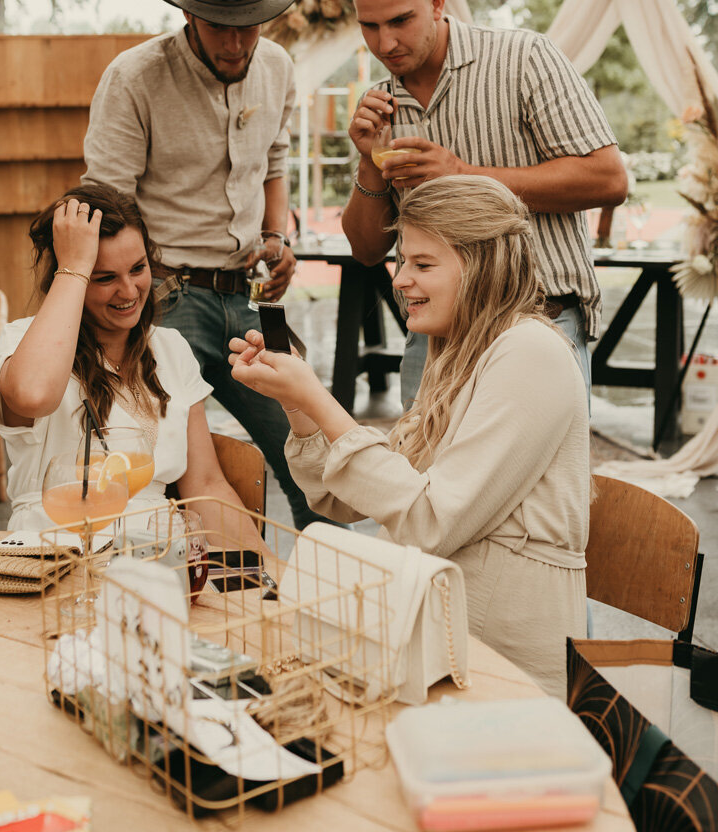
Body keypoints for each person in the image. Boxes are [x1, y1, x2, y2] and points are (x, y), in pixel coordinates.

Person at [230, 175, 590, 698]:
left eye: (423, 264)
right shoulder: (454, 354)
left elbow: (428, 521)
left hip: (498, 665)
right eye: (402, 262)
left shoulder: (530, 353)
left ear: (484, 266)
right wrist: (296, 404)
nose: (399, 279)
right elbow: (342, 501)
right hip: (420, 632)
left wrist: (318, 400)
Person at [82, 0, 318, 529]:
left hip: (248, 298)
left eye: (249, 27)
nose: (236, 44)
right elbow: (107, 203)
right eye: (219, 27)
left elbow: (276, 161)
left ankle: (333, 599)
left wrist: (276, 238)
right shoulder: (135, 77)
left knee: (313, 456)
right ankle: (193, 599)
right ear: (187, 15)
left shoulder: (279, 67)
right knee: (160, 471)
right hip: (164, 299)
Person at [341, 0, 628, 408]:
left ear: (437, 3)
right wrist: (370, 166)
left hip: (536, 324)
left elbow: (608, 179)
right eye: (369, 26)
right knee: (422, 481)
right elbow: (367, 251)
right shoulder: (381, 105)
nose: (385, 42)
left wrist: (462, 173)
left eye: (400, 20)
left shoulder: (525, 58)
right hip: (433, 342)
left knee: (536, 484)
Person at [0, 182, 265, 553]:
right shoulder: (23, 342)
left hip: (158, 559)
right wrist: (73, 266)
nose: (130, 291)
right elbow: (33, 395)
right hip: (54, 557)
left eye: (138, 269)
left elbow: (207, 485)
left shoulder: (171, 348)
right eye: (104, 278)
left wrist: (264, 577)